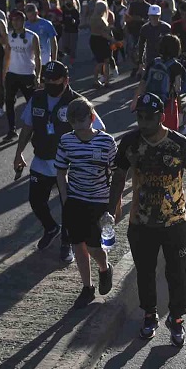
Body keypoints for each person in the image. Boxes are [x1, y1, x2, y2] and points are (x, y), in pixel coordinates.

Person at [106, 93, 186, 345]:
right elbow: (118, 175)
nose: (143, 122)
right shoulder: (130, 142)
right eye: (139, 117)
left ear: (161, 117)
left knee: (179, 274)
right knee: (145, 273)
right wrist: (112, 206)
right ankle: (150, 315)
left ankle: (177, 318)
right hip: (141, 222)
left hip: (175, 222)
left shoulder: (179, 144)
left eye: (148, 118)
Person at [12, 60, 84, 260]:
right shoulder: (37, 98)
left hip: (67, 166)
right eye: (46, 79)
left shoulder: (77, 103)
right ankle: (51, 228)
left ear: (66, 80)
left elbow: (96, 130)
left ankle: (66, 242)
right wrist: (19, 153)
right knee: (36, 200)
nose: (50, 83)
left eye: (55, 80)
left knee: (67, 206)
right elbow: (27, 127)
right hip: (41, 159)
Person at [55, 97, 118, 306]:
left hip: (98, 202)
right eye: (73, 124)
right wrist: (65, 198)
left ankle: (104, 268)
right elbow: (61, 170)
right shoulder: (66, 140)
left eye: (81, 123)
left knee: (93, 246)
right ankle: (87, 287)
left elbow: (117, 173)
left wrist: (114, 205)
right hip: (75, 200)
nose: (78, 129)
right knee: (77, 244)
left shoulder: (106, 142)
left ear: (91, 118)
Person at [2, 9, 42, 141]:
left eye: (18, 20)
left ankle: (36, 129)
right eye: (13, 20)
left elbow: (38, 57)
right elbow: (7, 55)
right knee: (9, 102)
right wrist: (4, 72)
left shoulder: (32, 36)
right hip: (12, 74)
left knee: (31, 103)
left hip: (27, 74)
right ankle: (11, 129)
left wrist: (38, 75)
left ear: (23, 21)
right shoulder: (9, 36)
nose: (15, 22)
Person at [132, 33, 185, 128]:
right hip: (168, 104)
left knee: (152, 128)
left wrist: (135, 100)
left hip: (150, 102)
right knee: (169, 131)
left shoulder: (154, 62)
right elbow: (178, 88)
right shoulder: (176, 66)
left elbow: (143, 82)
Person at [89, 0, 115, 87]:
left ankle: (103, 80)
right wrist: (111, 39)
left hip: (96, 40)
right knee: (102, 61)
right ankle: (98, 80)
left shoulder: (94, 17)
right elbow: (102, 33)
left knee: (104, 61)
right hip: (99, 40)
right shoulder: (98, 19)